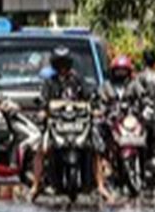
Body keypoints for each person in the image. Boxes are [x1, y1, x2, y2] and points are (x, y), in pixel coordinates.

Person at [29, 46, 113, 202]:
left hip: (78, 124)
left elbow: (89, 97)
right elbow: (43, 101)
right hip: (56, 124)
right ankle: (35, 185)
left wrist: (94, 108)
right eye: (59, 64)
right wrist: (42, 111)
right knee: (40, 148)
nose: (62, 68)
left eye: (65, 64)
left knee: (95, 147)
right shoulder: (49, 83)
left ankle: (101, 185)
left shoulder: (77, 80)